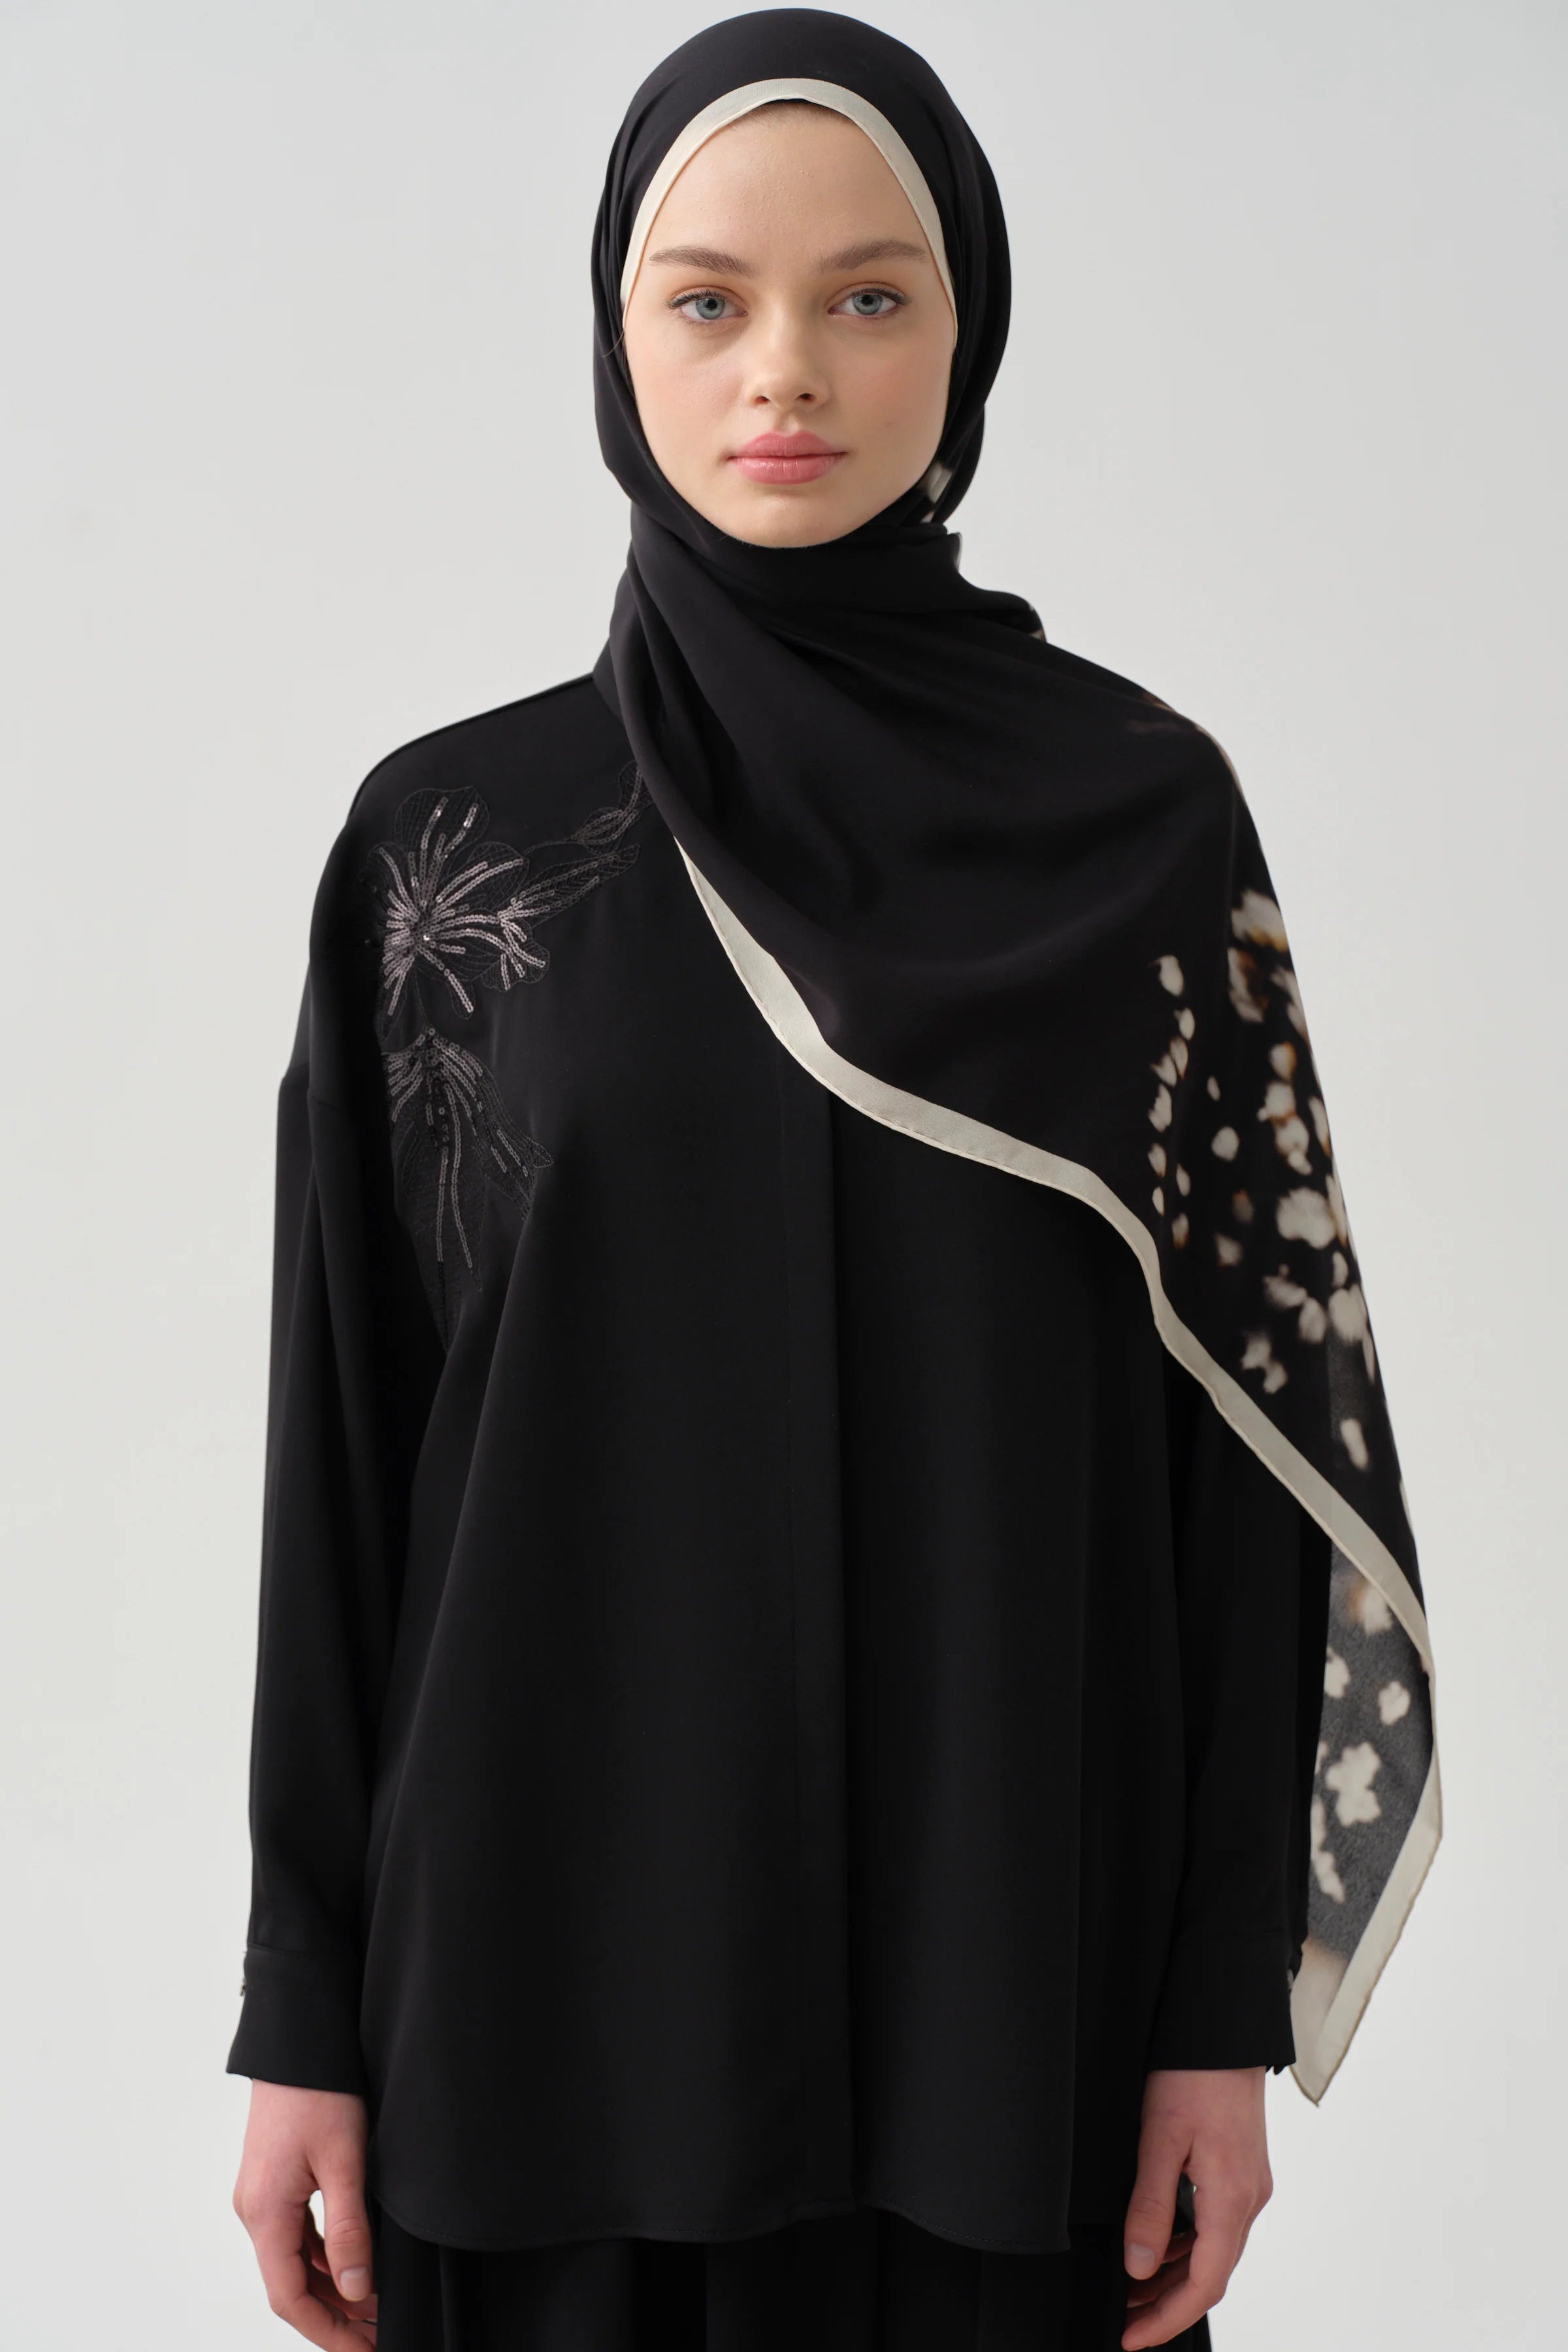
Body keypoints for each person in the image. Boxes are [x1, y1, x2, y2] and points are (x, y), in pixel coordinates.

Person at [226, 12, 1441, 2349]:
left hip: (1019, 2024)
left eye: (871, 295)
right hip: (538, 2013)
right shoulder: (454, 849)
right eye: (707, 298)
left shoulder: (1143, 835)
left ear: (966, 329)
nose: (786, 366)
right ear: (616, 333)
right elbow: (347, 1461)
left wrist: (1216, 2014)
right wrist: (302, 2010)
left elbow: (1245, 1467)